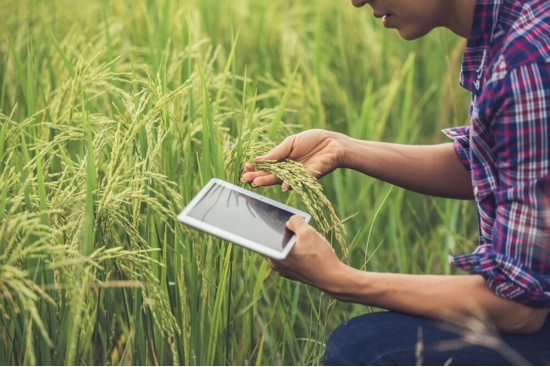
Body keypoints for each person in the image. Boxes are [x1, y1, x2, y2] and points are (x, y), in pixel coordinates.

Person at [241, 0, 550, 364]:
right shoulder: (513, 26)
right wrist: (343, 148)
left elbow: (518, 308)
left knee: (363, 350)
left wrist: (338, 278)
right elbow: (499, 165)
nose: (356, 0)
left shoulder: (525, 62)